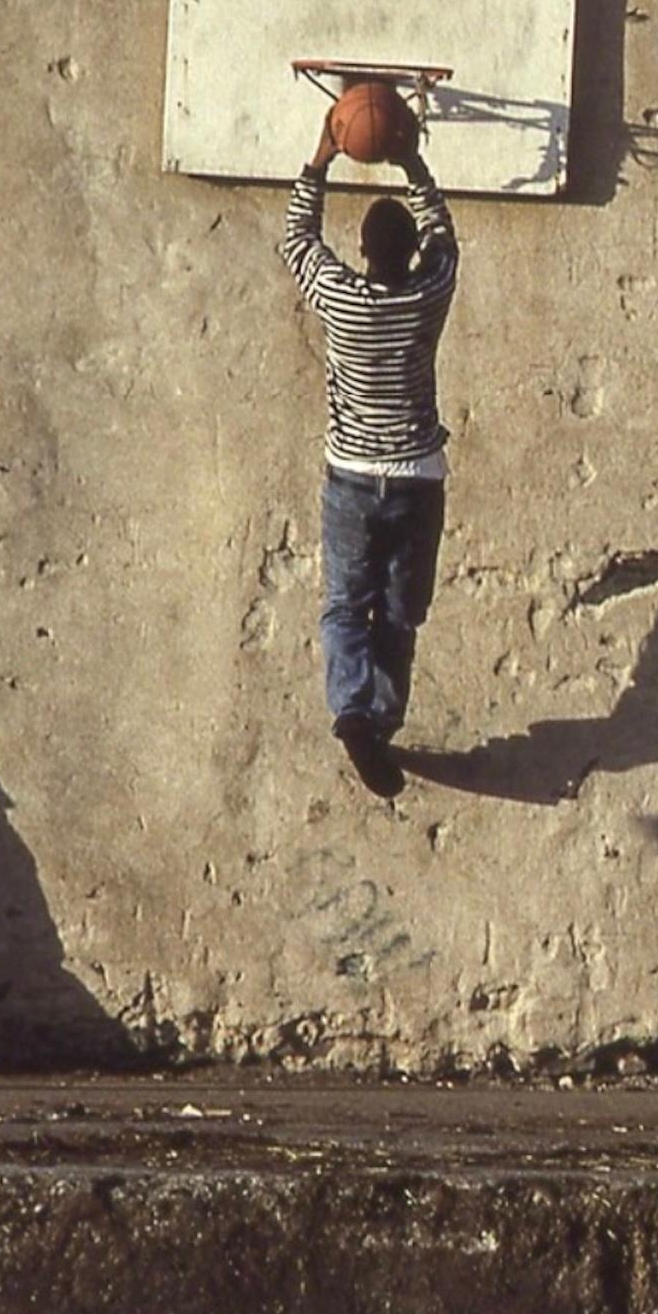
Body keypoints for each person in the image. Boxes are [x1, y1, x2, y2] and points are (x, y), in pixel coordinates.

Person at [280, 97, 459, 799]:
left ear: (361, 253)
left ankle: (353, 708)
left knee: (344, 605)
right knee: (400, 610)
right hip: (417, 477)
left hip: (352, 474)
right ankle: (377, 719)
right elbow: (446, 236)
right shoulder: (428, 297)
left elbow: (298, 240)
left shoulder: (340, 300)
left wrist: (323, 154)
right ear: (410, 252)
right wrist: (411, 155)